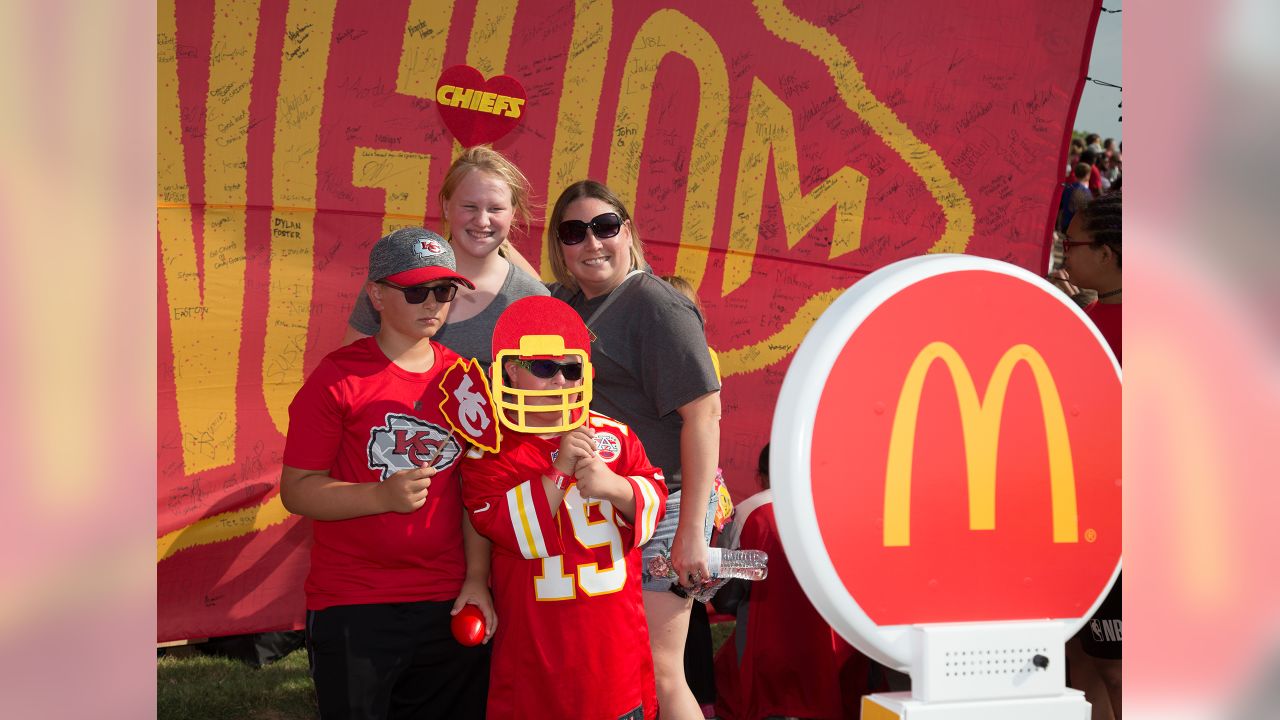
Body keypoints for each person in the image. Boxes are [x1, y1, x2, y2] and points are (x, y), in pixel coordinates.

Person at [280, 228, 492, 720]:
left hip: (446, 595)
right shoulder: (337, 377)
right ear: (376, 294)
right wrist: (382, 496)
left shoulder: (464, 380)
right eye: (416, 291)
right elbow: (298, 489)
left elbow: (474, 491)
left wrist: (478, 579)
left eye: (444, 291)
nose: (433, 303)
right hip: (355, 599)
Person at [546, 180, 723, 719]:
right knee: (619, 664)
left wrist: (690, 531)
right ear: (560, 246)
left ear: (628, 232)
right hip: (611, 506)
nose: (592, 243)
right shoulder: (565, 302)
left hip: (665, 506)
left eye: (605, 227)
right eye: (575, 233)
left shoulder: (655, 305)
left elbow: (704, 414)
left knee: (660, 668)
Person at [461, 295, 669, 719]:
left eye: (570, 369)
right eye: (543, 368)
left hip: (613, 644)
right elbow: (506, 529)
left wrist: (617, 488)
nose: (559, 381)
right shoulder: (490, 451)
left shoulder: (616, 436)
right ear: (512, 371)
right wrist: (558, 472)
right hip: (538, 645)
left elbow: (655, 500)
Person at [713, 444, 884, 719]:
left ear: (762, 476)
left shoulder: (749, 513)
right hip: (840, 657)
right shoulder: (847, 509)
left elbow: (726, 596)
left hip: (766, 659)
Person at [345, 145, 548, 363]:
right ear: (446, 206)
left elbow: (545, 389)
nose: (481, 221)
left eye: (495, 209)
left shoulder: (534, 298)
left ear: (513, 213)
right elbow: (349, 367)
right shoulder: (397, 273)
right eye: (470, 206)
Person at [1049, 190, 1122, 719]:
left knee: (1118, 664)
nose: (1062, 253)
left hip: (1125, 523)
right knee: (1080, 660)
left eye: (1070, 243)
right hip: (1078, 520)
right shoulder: (1089, 317)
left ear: (1107, 253)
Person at [1057, 162, 1093, 233]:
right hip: (1076, 225)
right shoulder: (1086, 192)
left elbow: (1061, 208)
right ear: (1087, 175)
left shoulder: (1067, 188)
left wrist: (1058, 224)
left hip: (1065, 222)